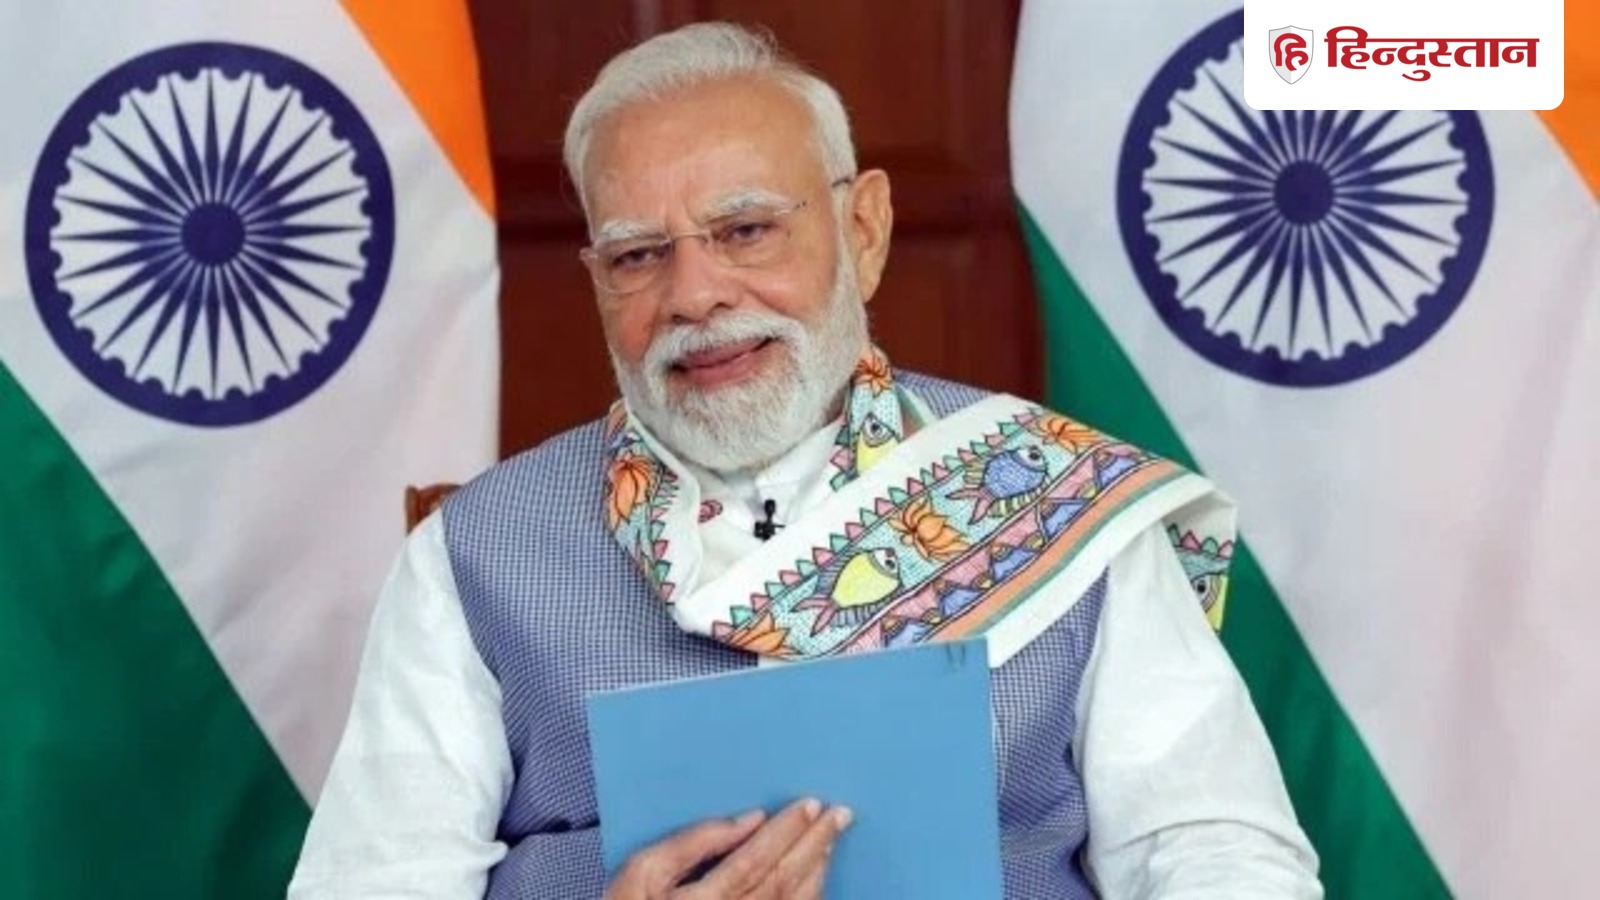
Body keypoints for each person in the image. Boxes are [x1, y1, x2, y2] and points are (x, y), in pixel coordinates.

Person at [289, 22, 1321, 899]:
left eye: (745, 230)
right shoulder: (477, 552)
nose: (694, 296)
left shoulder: (1059, 499)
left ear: (862, 229)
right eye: (640, 255)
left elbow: (1215, 851)